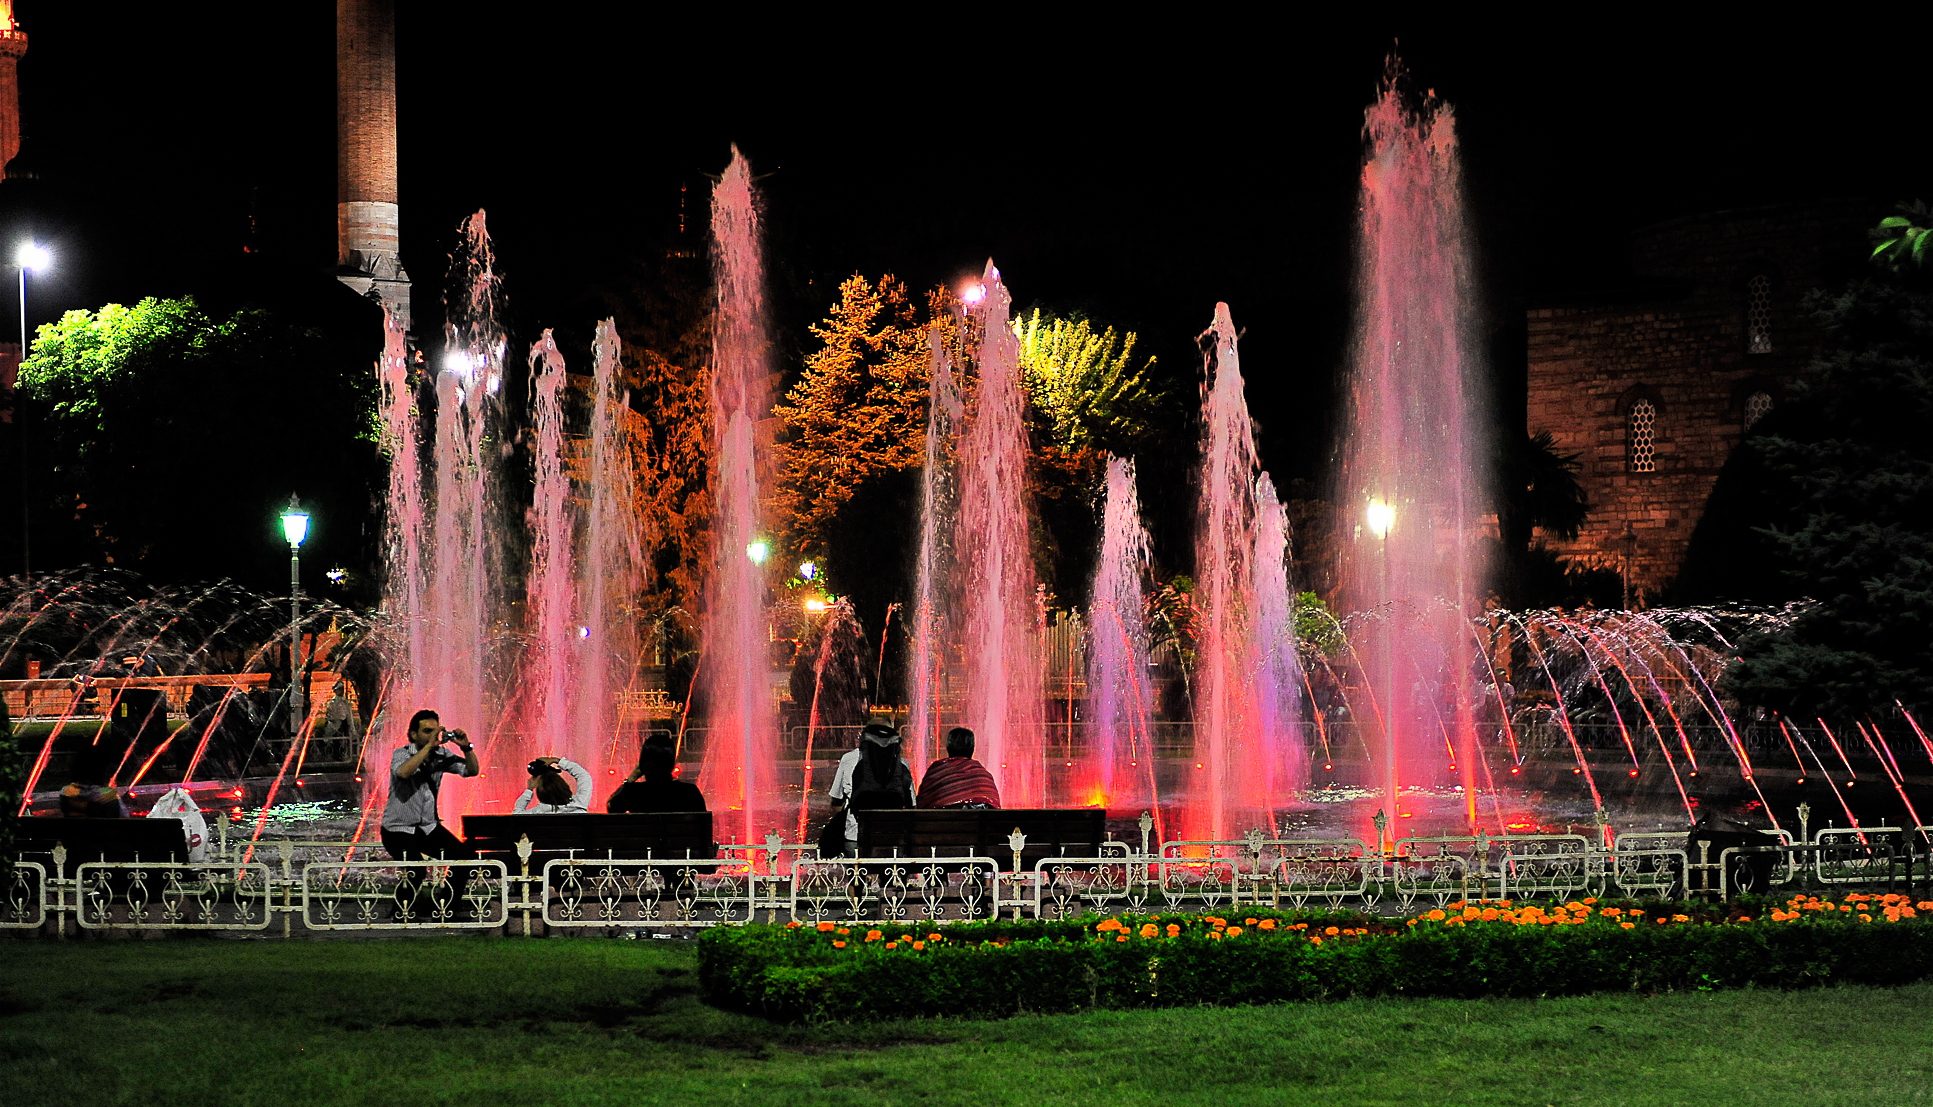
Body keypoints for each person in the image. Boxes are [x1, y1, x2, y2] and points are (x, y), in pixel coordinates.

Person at [381, 709, 480, 903]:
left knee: (464, 858)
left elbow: (471, 771)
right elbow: (403, 773)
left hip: (428, 827)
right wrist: (427, 748)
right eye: (427, 731)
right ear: (413, 734)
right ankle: (401, 913)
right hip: (397, 829)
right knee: (416, 870)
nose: (432, 736)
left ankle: (446, 907)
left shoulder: (441, 755)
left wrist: (466, 748)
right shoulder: (402, 753)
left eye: (435, 731)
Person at [825, 723, 913, 856]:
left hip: (856, 837)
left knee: (856, 873)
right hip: (893, 839)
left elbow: (836, 800)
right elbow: (912, 805)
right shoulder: (902, 764)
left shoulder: (850, 760)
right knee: (890, 871)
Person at [607, 739, 706, 813]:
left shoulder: (634, 793)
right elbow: (703, 827)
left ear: (642, 765)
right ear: (672, 764)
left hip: (645, 841)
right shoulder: (690, 792)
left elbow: (612, 807)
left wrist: (632, 778)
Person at [916, 726, 1002, 809]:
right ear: (972, 748)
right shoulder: (984, 775)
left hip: (944, 823)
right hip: (982, 823)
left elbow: (922, 803)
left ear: (948, 747)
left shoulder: (937, 770)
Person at [514, 755, 593, 813]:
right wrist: (557, 760)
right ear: (565, 788)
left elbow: (517, 814)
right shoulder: (579, 805)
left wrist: (529, 789)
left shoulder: (537, 813)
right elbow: (584, 776)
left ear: (541, 794)